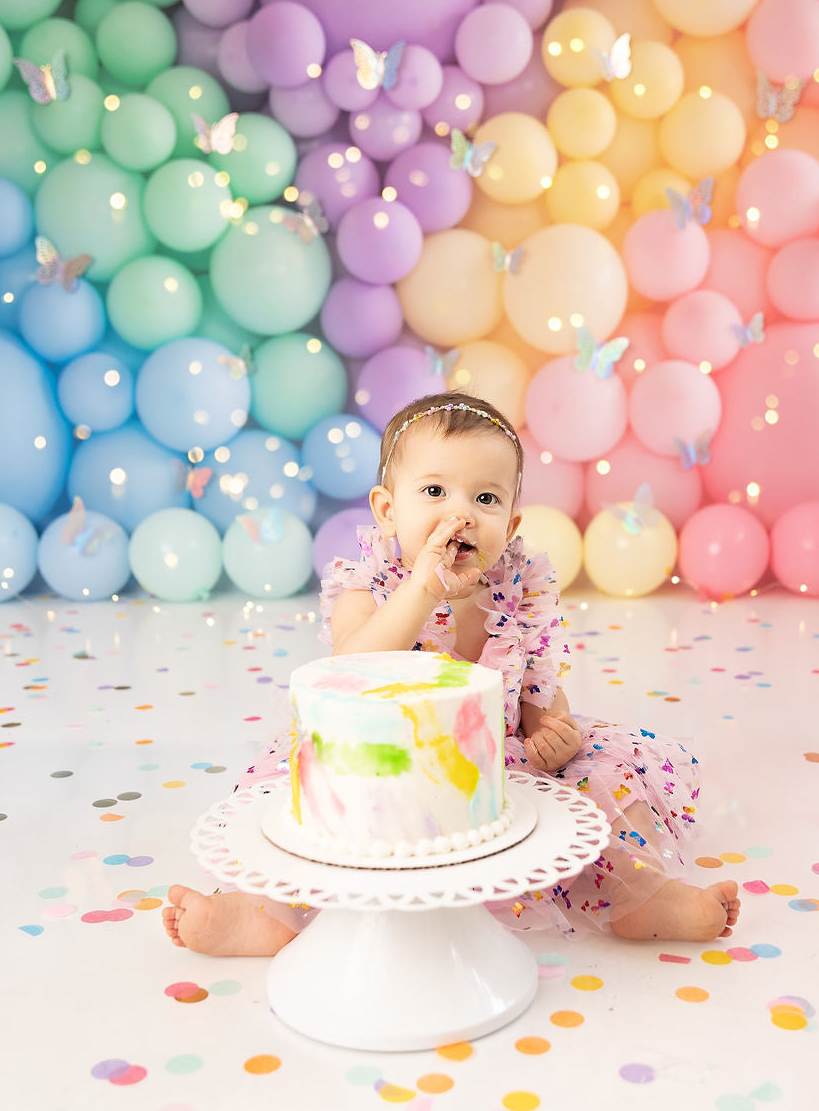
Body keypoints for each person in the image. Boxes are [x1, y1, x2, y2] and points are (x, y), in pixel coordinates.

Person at [162, 392, 740, 955]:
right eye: (435, 491)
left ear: (510, 526)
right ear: (388, 510)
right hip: (378, 758)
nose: (460, 514)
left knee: (605, 782)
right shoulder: (366, 586)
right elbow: (349, 668)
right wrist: (421, 590)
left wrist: (551, 731)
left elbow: (538, 687)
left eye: (485, 498)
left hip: (493, 762)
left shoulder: (521, 588)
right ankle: (259, 911)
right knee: (291, 794)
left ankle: (641, 894)